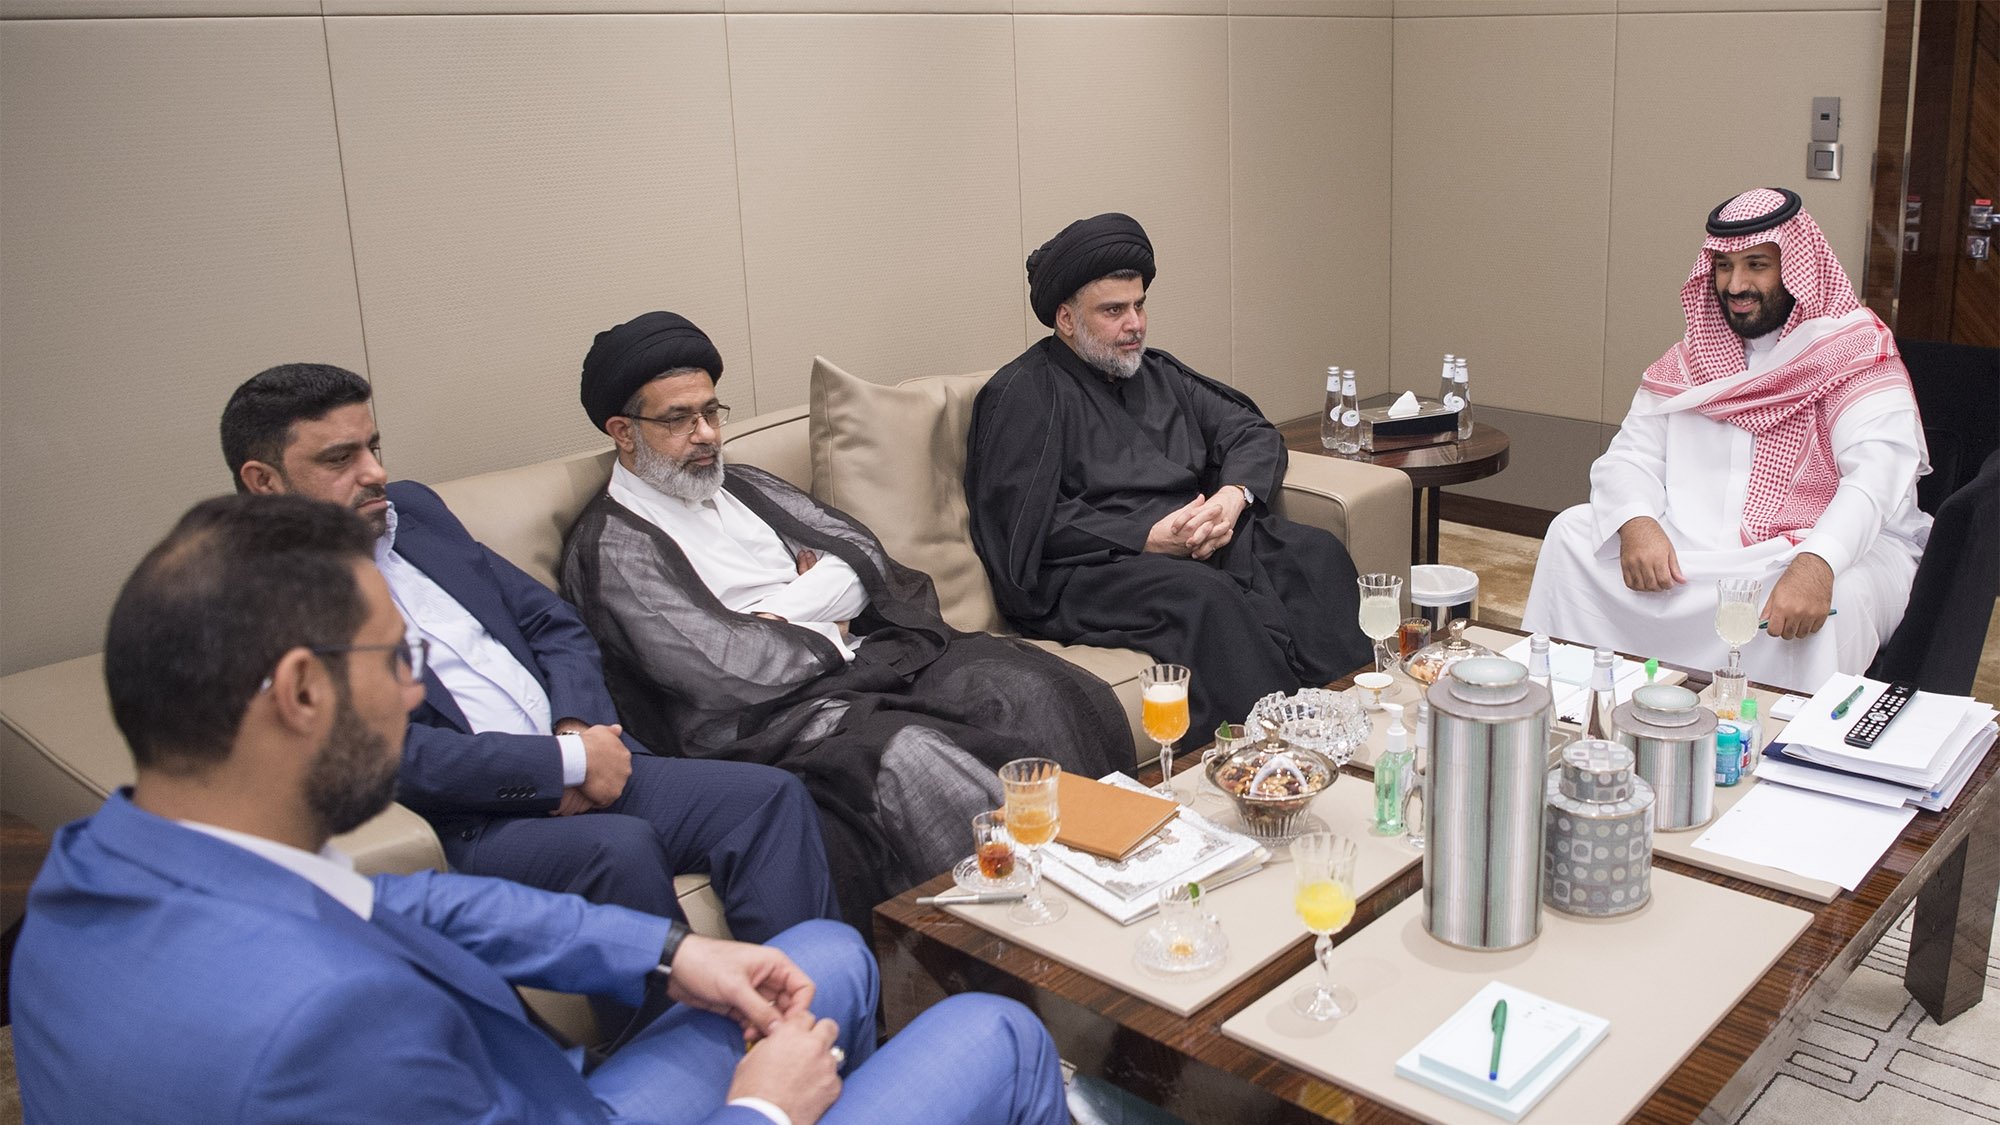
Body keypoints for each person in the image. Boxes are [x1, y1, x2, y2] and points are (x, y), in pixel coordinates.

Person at [9, 494, 1070, 1125]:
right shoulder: (325, 1029)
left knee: (814, 958)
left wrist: (668, 956)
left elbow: (407, 912)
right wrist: (758, 1111)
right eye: (398, 660)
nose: (418, 693)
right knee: (996, 1031)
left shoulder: (101, 866)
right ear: (299, 691)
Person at [221, 365, 839, 950]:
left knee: (770, 798)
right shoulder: (255, 600)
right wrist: (557, 765)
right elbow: (386, 753)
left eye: (373, 447)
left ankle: (817, 1018)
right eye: (339, 459)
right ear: (263, 482)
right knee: (618, 851)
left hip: (584, 753)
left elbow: (553, 623)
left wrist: (577, 730)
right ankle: (690, 1055)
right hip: (480, 817)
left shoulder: (414, 512)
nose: (374, 472)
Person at [560, 312, 1129, 924]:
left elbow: (861, 559)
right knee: (913, 759)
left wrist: (772, 613)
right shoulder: (612, 546)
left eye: (712, 412)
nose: (706, 435)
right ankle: (1019, 940)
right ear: (622, 431)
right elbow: (723, 666)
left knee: (1024, 687)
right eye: (679, 419)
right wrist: (820, 623)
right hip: (764, 721)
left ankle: (1113, 881)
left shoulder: (744, 484)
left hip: (864, 661)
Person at [964, 212, 1373, 747]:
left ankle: (1354, 721)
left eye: (1139, 305)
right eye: (1113, 311)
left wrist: (1230, 499)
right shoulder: (1023, 394)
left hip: (1198, 540)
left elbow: (1249, 431)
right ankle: (1268, 754)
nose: (1134, 324)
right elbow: (1021, 524)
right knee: (1204, 597)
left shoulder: (1157, 373)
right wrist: (1146, 536)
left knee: (1313, 554)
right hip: (1091, 567)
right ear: (1066, 319)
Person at [1523, 188, 1930, 691]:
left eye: (1757, 265)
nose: (1736, 284)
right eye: (1723, 266)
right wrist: (1637, 522)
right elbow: (1629, 455)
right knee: (1572, 534)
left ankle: (1774, 751)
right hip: (1699, 551)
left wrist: (1817, 563)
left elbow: (1876, 478)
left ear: (1797, 267)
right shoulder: (1691, 360)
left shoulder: (1854, 353)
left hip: (1818, 549)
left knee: (1835, 599)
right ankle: (1575, 699)